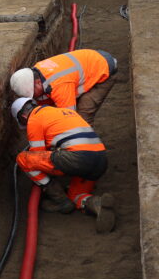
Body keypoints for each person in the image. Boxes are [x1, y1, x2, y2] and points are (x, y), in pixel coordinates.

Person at [11, 97, 115, 233]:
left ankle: (58, 197)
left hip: (78, 159)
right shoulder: (61, 112)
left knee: (23, 159)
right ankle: (97, 204)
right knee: (76, 195)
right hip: (100, 160)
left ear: (24, 117)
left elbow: (38, 155)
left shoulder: (34, 119)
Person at [9, 49, 117, 125]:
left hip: (102, 71)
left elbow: (69, 118)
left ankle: (85, 149)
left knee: (82, 117)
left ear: (37, 82)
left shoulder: (59, 85)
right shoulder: (37, 71)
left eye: (33, 94)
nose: (34, 98)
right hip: (91, 58)